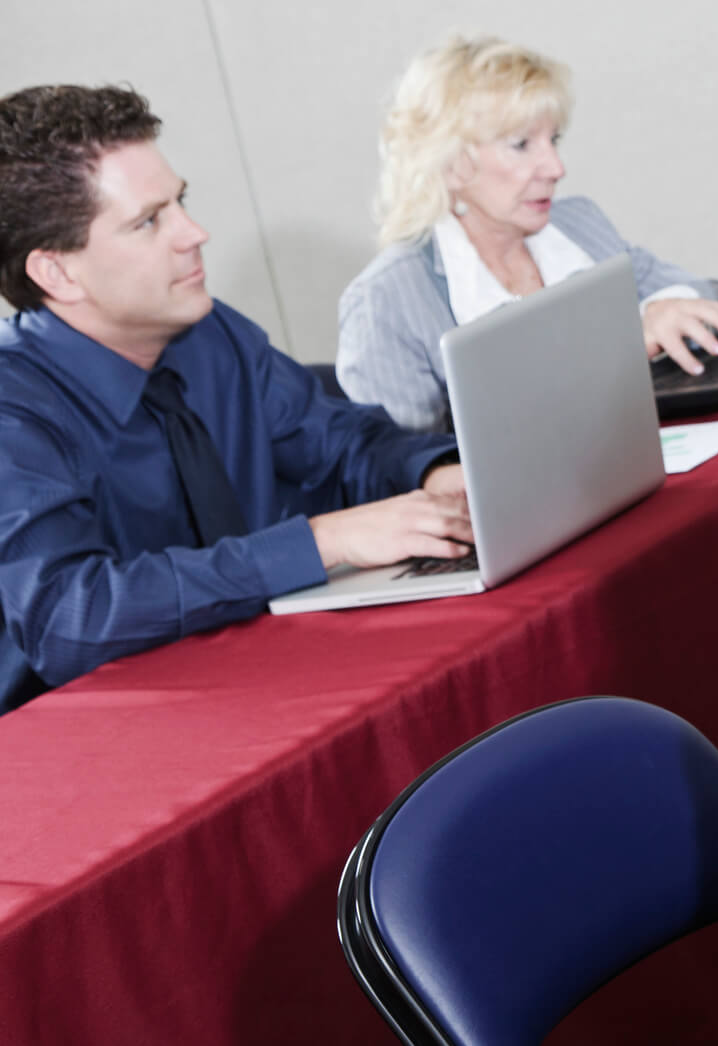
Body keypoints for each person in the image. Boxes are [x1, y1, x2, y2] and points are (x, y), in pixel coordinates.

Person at [0, 85, 469, 713]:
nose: (195, 233)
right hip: (85, 751)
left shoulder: (209, 332)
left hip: (265, 689)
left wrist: (438, 472)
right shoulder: (14, 411)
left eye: (181, 202)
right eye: (148, 221)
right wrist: (321, 543)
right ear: (56, 273)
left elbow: (340, 445)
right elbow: (72, 617)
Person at [336, 33, 718, 430]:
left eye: (553, 139)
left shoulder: (576, 223)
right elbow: (401, 472)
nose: (555, 168)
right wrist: (618, 349)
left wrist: (658, 310)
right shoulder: (384, 302)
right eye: (521, 144)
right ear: (448, 161)